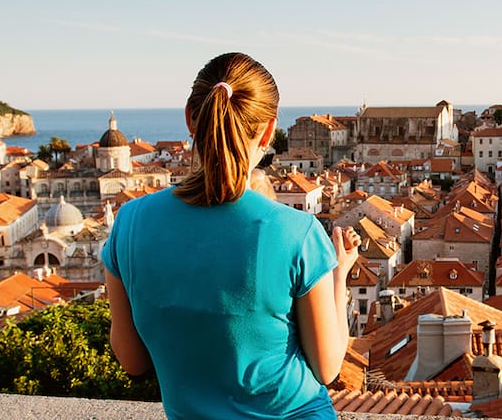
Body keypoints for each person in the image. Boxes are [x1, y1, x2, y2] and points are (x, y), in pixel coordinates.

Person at [102, 52, 360, 419]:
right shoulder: (297, 232)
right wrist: (340, 275)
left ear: (191, 117)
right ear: (269, 132)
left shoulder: (128, 223)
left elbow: (131, 360)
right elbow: (328, 367)